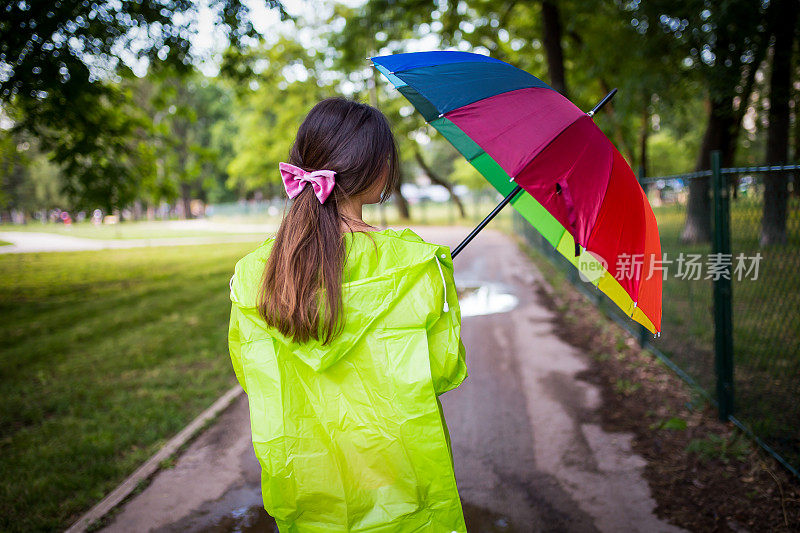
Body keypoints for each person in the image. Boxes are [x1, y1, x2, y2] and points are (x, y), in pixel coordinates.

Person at [227, 97, 469, 532]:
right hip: (406, 485)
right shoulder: (418, 264)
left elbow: (252, 373)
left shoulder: (252, 275)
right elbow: (444, 371)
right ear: (375, 167)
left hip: (309, 486)